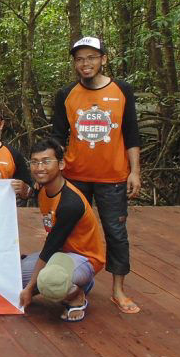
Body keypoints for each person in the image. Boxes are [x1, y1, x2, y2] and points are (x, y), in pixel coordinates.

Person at [51, 36, 142, 314]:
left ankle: (118, 290)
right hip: (75, 177)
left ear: (104, 59)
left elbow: (131, 134)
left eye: (91, 57)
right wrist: (54, 170)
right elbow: (57, 136)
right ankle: (75, 285)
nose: (85, 63)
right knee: (71, 231)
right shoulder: (66, 94)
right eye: (79, 59)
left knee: (116, 232)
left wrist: (135, 172)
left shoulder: (122, 90)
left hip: (113, 176)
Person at [18, 137, 105, 322]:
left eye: (46, 161)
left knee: (47, 281)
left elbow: (51, 246)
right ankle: (71, 282)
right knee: (14, 276)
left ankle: (76, 295)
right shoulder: (44, 188)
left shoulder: (70, 203)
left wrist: (31, 288)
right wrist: (24, 190)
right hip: (59, 254)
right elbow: (31, 192)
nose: (40, 167)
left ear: (61, 164)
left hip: (83, 257)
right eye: (35, 162)